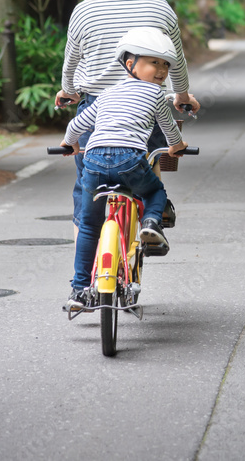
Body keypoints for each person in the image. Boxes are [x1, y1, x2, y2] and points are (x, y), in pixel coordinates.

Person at [55, 0, 200, 237]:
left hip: (97, 110)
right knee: (150, 164)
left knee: (86, 187)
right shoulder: (160, 9)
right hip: (147, 106)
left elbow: (71, 64)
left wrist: (68, 91)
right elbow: (175, 60)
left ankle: (88, 246)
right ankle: (152, 218)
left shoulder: (84, 11)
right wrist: (181, 95)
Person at [60, 28, 187, 312]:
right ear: (130, 63)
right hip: (130, 160)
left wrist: (70, 144)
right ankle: (151, 224)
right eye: (153, 62)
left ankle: (79, 291)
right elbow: (168, 130)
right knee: (155, 191)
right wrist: (177, 146)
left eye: (165, 65)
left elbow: (77, 125)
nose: (161, 70)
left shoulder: (106, 94)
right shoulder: (156, 94)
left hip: (93, 162)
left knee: (89, 225)